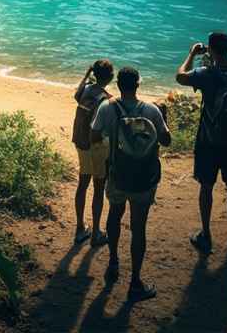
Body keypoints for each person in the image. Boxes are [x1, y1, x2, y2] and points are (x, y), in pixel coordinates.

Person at [91, 65, 171, 302]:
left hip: (117, 174)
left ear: (118, 85)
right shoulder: (152, 110)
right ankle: (135, 281)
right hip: (144, 178)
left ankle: (113, 261)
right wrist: (163, 120)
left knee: (115, 215)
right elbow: (166, 141)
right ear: (138, 85)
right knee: (139, 227)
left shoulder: (108, 108)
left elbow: (95, 136)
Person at [176, 31, 227, 258]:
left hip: (209, 139)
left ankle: (206, 234)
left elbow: (180, 76)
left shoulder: (205, 74)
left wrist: (191, 54)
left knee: (206, 186)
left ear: (210, 49)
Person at [72, 59, 114, 245]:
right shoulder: (107, 98)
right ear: (111, 77)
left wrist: (87, 73)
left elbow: (76, 95)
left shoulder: (86, 90)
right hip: (97, 147)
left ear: (94, 74)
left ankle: (80, 228)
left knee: (83, 184)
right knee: (98, 189)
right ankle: (96, 232)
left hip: (82, 143)